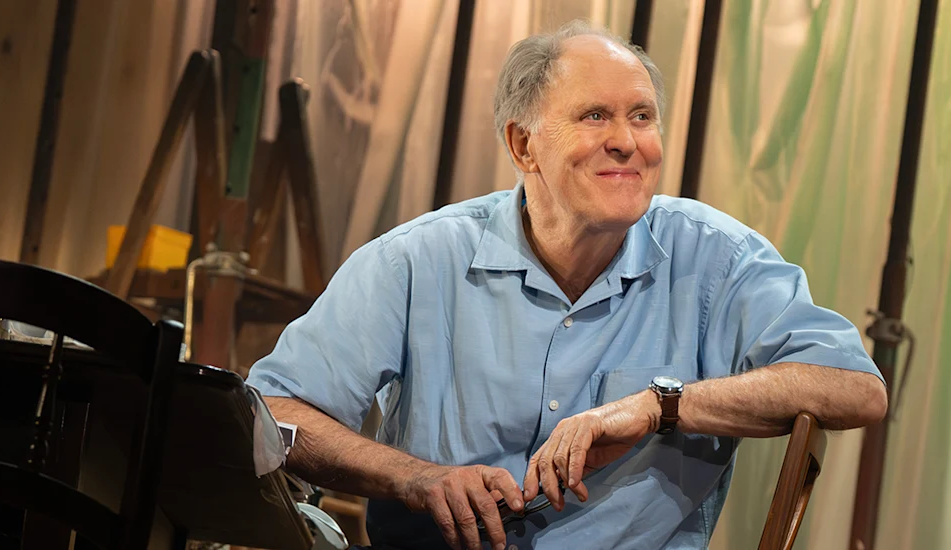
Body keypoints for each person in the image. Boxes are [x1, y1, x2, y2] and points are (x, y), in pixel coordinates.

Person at [246, 20, 887, 550]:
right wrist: (416, 478)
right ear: (524, 145)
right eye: (594, 116)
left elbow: (855, 389)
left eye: (642, 116)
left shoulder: (718, 259)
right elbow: (272, 411)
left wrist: (657, 405)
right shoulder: (417, 260)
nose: (626, 143)